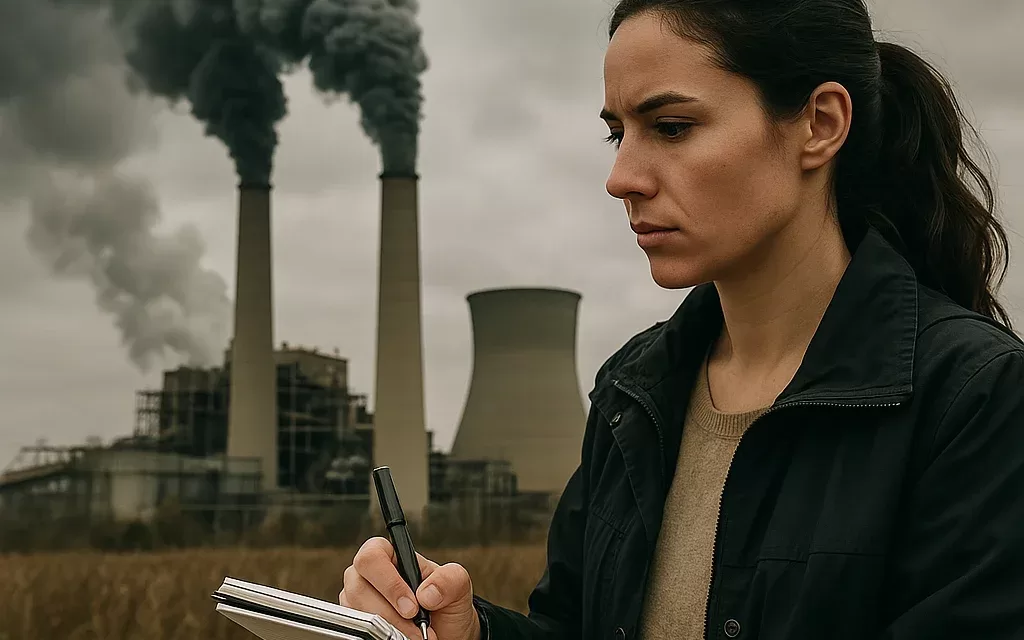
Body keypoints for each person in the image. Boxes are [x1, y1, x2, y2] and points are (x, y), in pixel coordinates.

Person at [338, 0, 1024, 638]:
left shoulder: (974, 401)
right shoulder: (635, 393)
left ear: (820, 125)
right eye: (618, 134)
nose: (622, 177)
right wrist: (471, 631)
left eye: (671, 127)